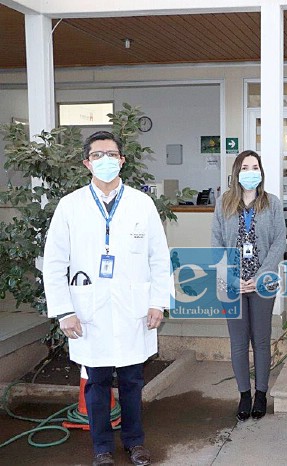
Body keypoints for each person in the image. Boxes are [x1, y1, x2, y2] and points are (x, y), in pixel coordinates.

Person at [44, 131, 172, 466]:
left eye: (111, 154)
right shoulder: (70, 206)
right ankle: (101, 447)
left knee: (132, 381)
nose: (105, 160)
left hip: (134, 310)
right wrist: (64, 311)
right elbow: (55, 262)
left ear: (122, 161)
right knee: (96, 383)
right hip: (88, 311)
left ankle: (134, 442)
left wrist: (158, 301)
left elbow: (159, 256)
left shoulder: (141, 204)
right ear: (87, 162)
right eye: (98, 155)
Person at [212, 150, 286, 422]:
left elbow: (279, 242)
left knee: (262, 340)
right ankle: (244, 394)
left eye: (255, 166)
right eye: (246, 166)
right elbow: (216, 245)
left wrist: (263, 274)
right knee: (239, 342)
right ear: (236, 172)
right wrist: (232, 278)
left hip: (263, 283)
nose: (251, 171)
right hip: (231, 284)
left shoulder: (273, 203)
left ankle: (261, 394)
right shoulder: (224, 204)